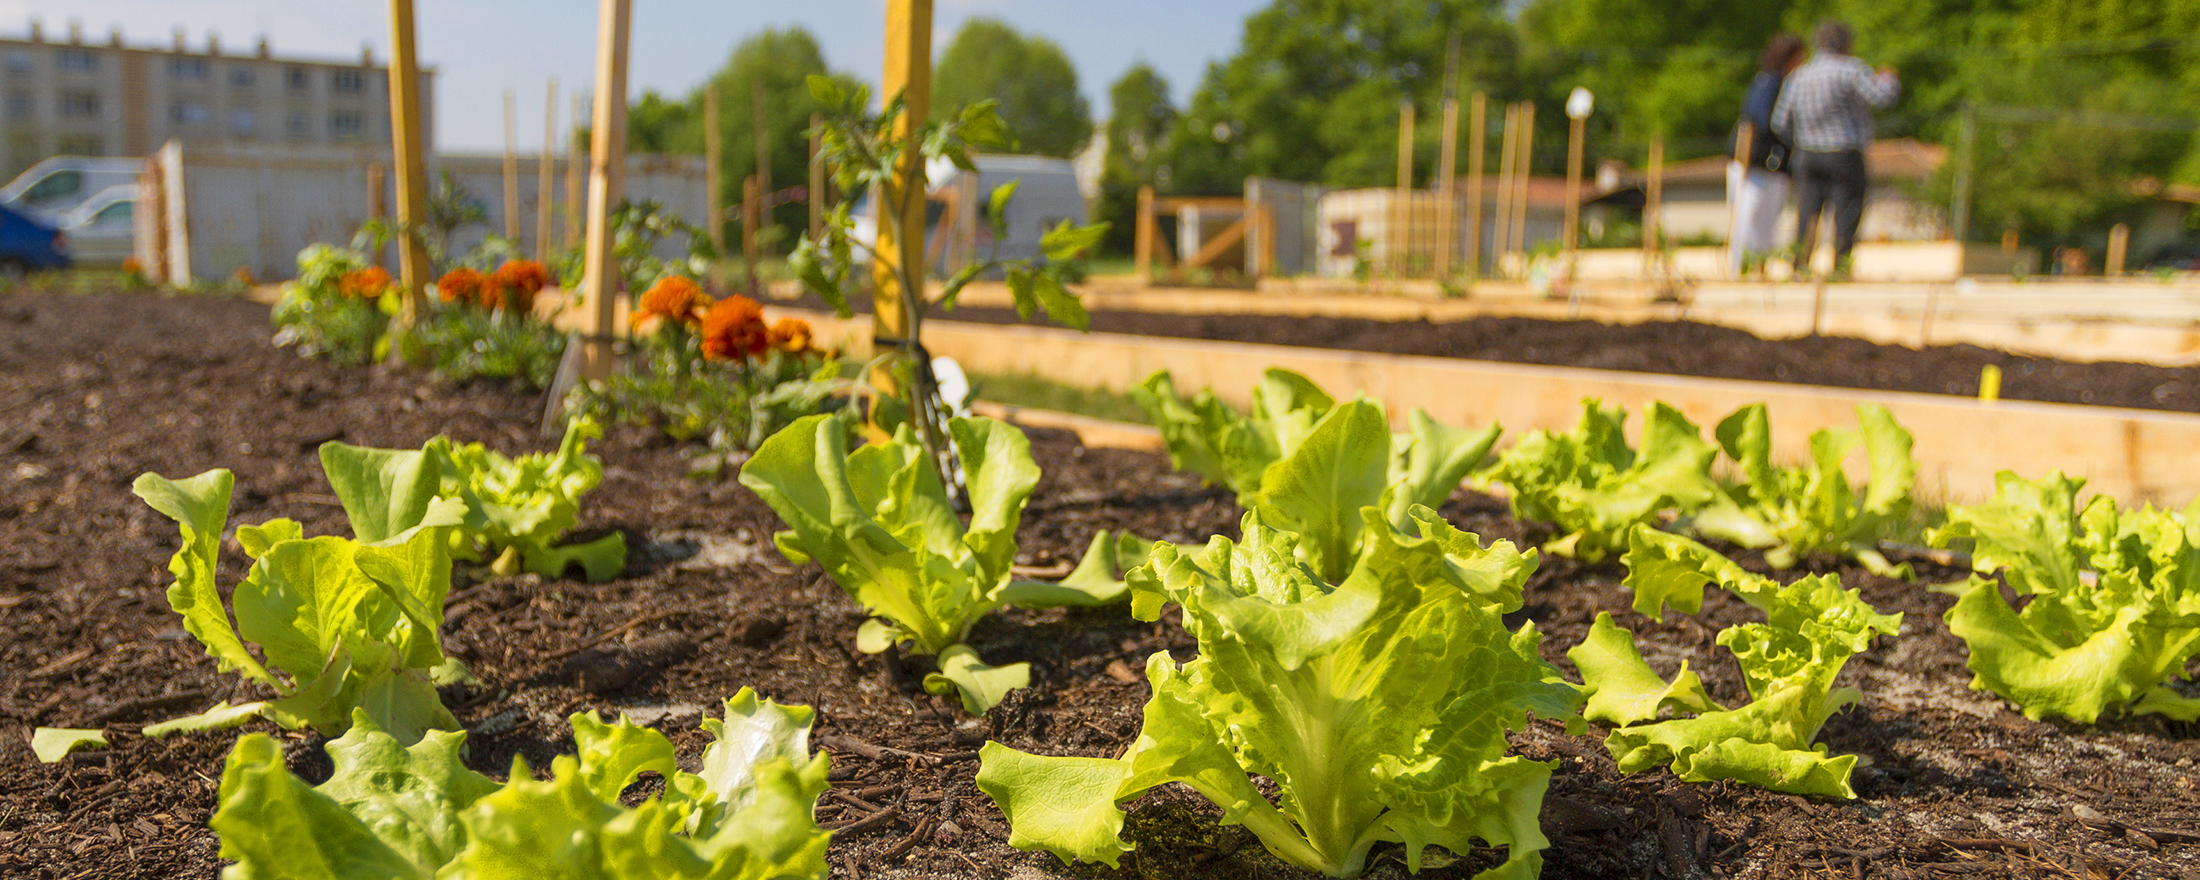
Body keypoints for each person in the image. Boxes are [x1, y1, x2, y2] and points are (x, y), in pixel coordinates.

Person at [1772, 20, 1898, 278]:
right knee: (1846, 212)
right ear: (1846, 44)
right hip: (1843, 152)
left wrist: (1800, 141)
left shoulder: (1799, 75)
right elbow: (1881, 98)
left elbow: (1779, 122)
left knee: (1807, 213)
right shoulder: (1850, 70)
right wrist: (1888, 79)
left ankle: (1800, 266)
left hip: (1806, 154)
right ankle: (1840, 268)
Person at [1729, 33, 1808, 275]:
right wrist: (1791, 137)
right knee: (1749, 216)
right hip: (1757, 161)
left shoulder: (1780, 82)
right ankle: (1742, 267)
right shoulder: (1770, 82)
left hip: (1774, 164)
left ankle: (1758, 267)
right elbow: (1761, 120)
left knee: (1768, 219)